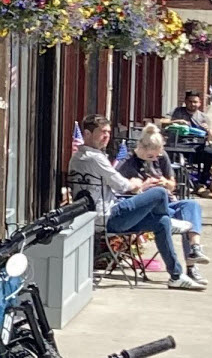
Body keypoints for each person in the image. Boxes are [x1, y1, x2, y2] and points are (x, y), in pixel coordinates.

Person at [67, 116, 204, 288]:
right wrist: (138, 184)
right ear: (87, 133)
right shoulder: (95, 157)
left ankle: (176, 275)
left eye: (108, 132)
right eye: (102, 132)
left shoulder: (77, 157)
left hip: (100, 215)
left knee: (161, 223)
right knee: (159, 192)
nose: (106, 136)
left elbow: (112, 186)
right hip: (110, 216)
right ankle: (171, 218)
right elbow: (122, 184)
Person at [128, 122, 207, 270]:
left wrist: (165, 182)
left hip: (166, 202)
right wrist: (144, 186)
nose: (154, 159)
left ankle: (195, 250)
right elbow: (124, 193)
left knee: (191, 206)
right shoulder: (129, 163)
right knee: (185, 218)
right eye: (151, 156)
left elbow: (173, 184)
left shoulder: (161, 157)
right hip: (146, 209)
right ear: (141, 148)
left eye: (157, 155)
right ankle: (191, 269)